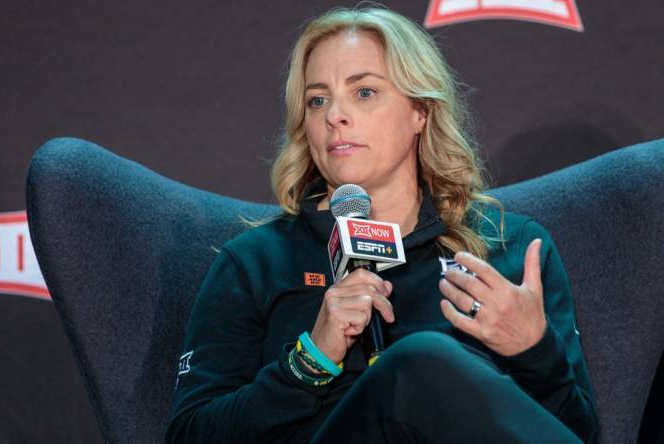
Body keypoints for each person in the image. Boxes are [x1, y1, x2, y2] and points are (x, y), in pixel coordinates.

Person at [166, 6, 598, 443]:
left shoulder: (507, 248)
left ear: (420, 113)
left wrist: (535, 350)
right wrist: (309, 361)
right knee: (419, 362)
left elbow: (579, 434)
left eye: (364, 92)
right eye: (317, 100)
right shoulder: (256, 262)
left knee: (423, 362)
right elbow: (189, 435)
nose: (335, 115)